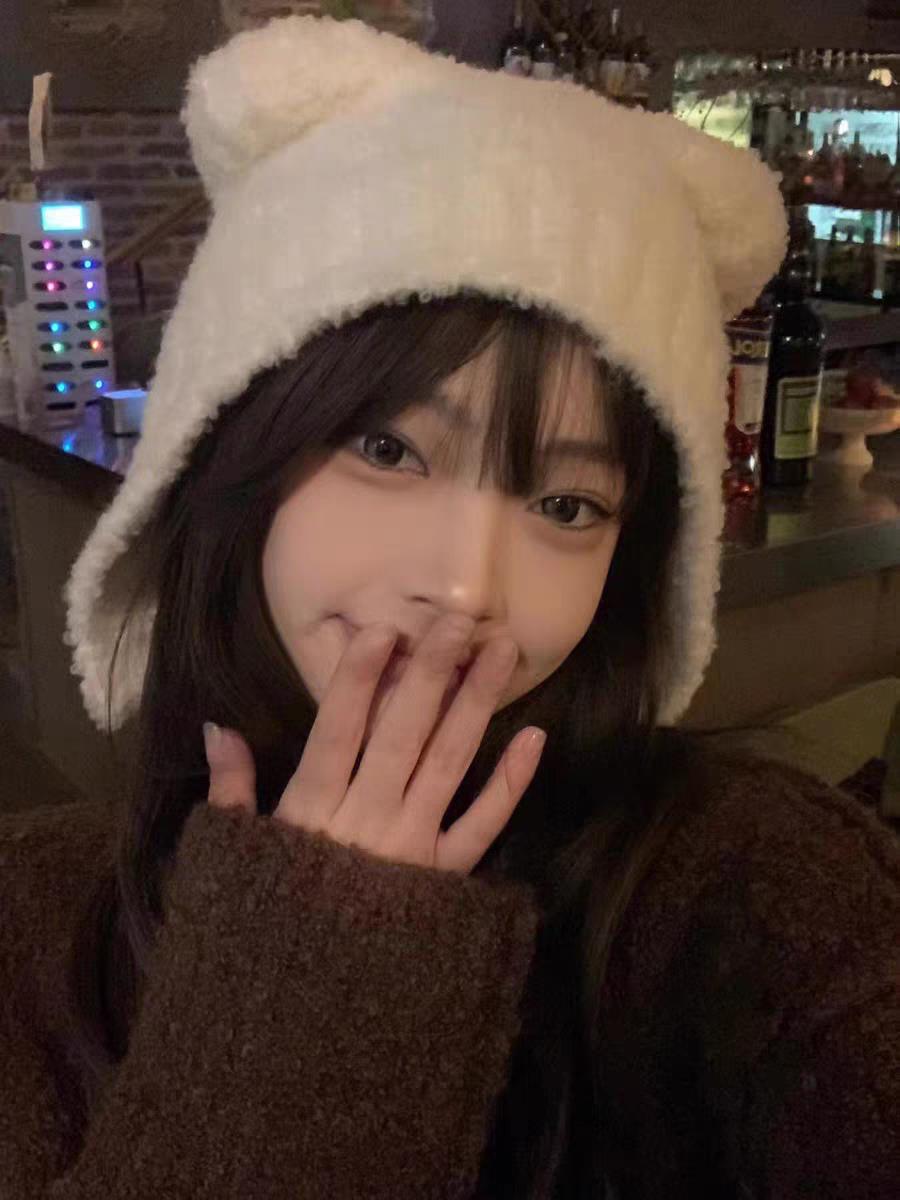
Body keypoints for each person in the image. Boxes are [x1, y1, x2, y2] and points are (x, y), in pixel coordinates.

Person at [2, 15, 897, 1200]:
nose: (469, 588)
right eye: (389, 448)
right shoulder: (32, 921)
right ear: (232, 450)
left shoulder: (754, 888)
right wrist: (312, 978)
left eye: (568, 505)